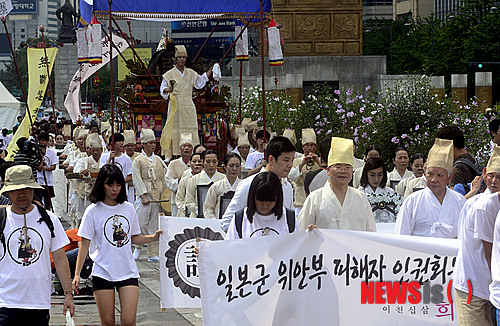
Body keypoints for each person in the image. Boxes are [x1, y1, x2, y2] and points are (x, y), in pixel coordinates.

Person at [72, 164, 161, 326]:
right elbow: (84, 244)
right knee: (108, 322)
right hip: (102, 271)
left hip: (128, 271)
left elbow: (133, 238)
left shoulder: (128, 208)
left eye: (118, 185)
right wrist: (77, 274)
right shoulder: (92, 211)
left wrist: (153, 238)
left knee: (129, 322)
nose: (115, 189)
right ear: (101, 185)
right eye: (110, 185)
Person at [0, 165, 75, 324]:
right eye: (16, 189)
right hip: (5, 302)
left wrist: (68, 294)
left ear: (33, 189)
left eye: (26, 188)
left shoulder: (50, 220)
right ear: (7, 192)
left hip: (38, 303)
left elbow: (60, 259)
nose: (21, 194)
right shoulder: (2, 219)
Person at [453, 148, 500, 325]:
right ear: (484, 174)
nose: (494, 181)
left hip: (491, 288)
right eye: (491, 176)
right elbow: (490, 254)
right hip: (473, 286)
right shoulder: (482, 205)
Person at [298, 137, 376, 231]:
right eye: (338, 167)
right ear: (328, 170)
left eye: (347, 167)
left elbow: (371, 231)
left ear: (352, 171)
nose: (343, 171)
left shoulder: (360, 197)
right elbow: (301, 231)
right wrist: (310, 232)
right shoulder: (315, 198)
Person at [221, 136, 295, 232]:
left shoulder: (287, 187)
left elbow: (289, 223)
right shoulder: (249, 184)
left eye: (292, 160)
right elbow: (227, 223)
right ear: (271, 159)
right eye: (286, 160)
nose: (290, 165)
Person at [395, 138, 466, 238]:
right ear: (425, 174)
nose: (433, 179)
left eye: (440, 175)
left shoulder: (460, 201)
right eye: (430, 174)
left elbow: (464, 237)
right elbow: (401, 236)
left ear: (449, 178)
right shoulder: (412, 201)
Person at [160, 45, 213, 160]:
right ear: (176, 59)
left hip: (188, 104)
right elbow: (162, 89)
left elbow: (200, 82)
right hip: (175, 105)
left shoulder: (191, 73)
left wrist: (210, 71)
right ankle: (172, 155)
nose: (182, 59)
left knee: (190, 129)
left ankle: (194, 154)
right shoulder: (169, 74)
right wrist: (169, 90)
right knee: (174, 130)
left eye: (184, 57)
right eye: (180, 57)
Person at [225, 171, 298, 240]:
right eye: (261, 200)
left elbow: (298, 247)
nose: (265, 205)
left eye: (271, 201)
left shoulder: (289, 218)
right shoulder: (240, 219)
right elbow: (229, 248)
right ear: (253, 197)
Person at [131, 129, 167, 261]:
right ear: (144, 144)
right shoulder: (138, 160)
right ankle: (138, 248)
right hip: (145, 196)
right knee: (140, 223)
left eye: (154, 142)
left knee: (154, 224)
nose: (153, 145)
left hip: (157, 196)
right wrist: (143, 195)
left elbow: (163, 177)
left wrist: (164, 195)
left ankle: (153, 253)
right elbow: (136, 178)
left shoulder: (158, 159)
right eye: (150, 142)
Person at [288, 129, 320, 215]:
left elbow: (325, 175)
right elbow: (292, 177)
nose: (309, 148)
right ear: (303, 147)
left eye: (312, 145)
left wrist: (318, 163)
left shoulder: (319, 161)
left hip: (317, 199)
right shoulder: (296, 161)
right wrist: (302, 164)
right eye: (307, 145)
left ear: (315, 147)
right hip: (300, 201)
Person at [185, 149, 225, 218]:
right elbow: (189, 201)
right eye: (208, 162)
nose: (211, 165)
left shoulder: (223, 179)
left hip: (218, 217)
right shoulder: (194, 179)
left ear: (218, 162)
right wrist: (198, 211)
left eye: (214, 161)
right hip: (198, 217)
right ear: (202, 162)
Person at [204, 153, 242, 219]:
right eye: (231, 165)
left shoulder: (244, 186)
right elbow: (208, 208)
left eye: (237, 166)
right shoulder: (216, 186)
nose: (234, 169)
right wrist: (215, 221)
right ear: (224, 166)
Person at [165, 133, 193, 217]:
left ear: (192, 149)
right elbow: (169, 182)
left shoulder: (195, 164)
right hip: (176, 202)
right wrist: (178, 180)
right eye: (184, 146)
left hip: (192, 202)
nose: (186, 148)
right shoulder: (173, 164)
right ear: (180, 149)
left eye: (189, 146)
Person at [99, 133, 133, 200]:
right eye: (119, 141)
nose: (121, 143)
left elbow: (130, 177)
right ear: (112, 143)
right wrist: (110, 159)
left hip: (122, 191)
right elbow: (102, 173)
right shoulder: (104, 157)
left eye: (122, 141)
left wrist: (118, 183)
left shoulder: (127, 159)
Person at [176, 153, 203, 217]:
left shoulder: (205, 180)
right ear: (190, 163)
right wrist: (186, 210)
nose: (196, 164)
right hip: (185, 213)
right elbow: (179, 199)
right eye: (194, 161)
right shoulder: (184, 180)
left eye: (199, 161)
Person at [37, 132, 58, 211]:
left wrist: (45, 169)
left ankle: (48, 213)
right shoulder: (36, 152)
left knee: (47, 200)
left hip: (48, 180)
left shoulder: (51, 152)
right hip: (38, 179)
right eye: (42, 140)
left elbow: (54, 166)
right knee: (38, 200)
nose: (44, 143)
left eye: (46, 141)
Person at [123, 130, 139, 203]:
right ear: (124, 147)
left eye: (132, 145)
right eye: (128, 146)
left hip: (138, 189)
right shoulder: (122, 158)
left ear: (135, 146)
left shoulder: (140, 157)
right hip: (126, 188)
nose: (130, 147)